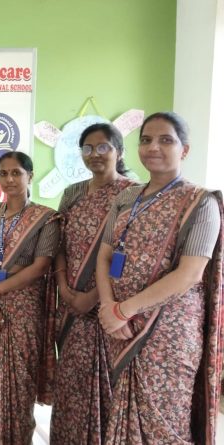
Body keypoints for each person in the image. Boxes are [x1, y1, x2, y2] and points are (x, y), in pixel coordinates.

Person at [96, 112, 223, 444]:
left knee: (165, 422)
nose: (153, 147)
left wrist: (123, 310)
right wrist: (109, 306)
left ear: (185, 150)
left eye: (166, 140)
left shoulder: (200, 203)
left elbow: (190, 274)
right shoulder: (125, 198)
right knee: (122, 415)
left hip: (168, 333)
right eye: (146, 140)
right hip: (120, 327)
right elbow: (104, 256)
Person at [49, 123, 136, 444]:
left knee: (107, 385)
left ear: (119, 151)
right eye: (87, 148)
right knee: (71, 382)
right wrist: (63, 288)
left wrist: (94, 297)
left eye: (103, 147)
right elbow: (59, 244)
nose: (94, 154)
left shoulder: (134, 194)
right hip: (70, 303)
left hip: (109, 306)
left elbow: (129, 255)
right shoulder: (72, 193)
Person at [0, 151, 60, 444]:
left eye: (16, 173)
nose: (9, 179)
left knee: (19, 383)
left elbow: (40, 266)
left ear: (30, 176)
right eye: (3, 173)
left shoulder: (46, 218)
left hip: (23, 313)